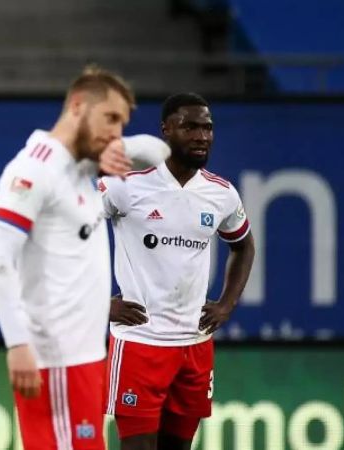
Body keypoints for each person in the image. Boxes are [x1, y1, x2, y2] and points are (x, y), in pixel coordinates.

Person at [0, 65, 170, 450]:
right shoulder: (34, 169)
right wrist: (17, 344)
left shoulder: (82, 167)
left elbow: (161, 153)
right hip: (55, 362)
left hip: (85, 357)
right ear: (77, 106)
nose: (116, 131)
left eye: (122, 122)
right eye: (111, 118)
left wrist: (123, 146)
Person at [100, 93, 255, 450]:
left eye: (208, 127)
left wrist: (226, 304)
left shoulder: (221, 194)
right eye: (190, 127)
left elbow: (243, 245)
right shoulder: (127, 185)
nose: (201, 136)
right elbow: (69, 230)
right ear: (166, 130)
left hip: (195, 345)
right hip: (141, 343)